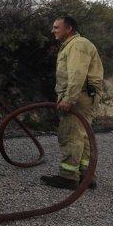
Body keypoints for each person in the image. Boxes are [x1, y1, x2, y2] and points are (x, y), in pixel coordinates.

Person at [41, 16, 104, 190]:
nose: (52, 30)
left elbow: (77, 74)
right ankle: (86, 176)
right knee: (83, 136)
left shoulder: (77, 45)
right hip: (85, 96)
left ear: (68, 29)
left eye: (56, 27)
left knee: (71, 135)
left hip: (79, 97)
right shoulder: (75, 44)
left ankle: (68, 177)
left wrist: (69, 99)